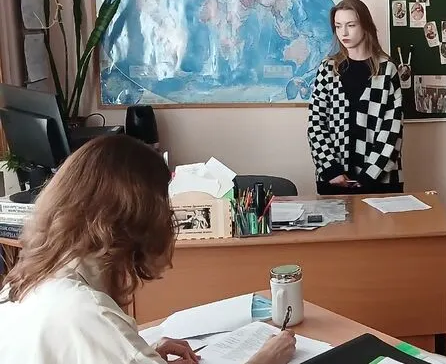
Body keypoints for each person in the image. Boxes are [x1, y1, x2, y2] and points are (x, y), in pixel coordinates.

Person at [0, 135, 297, 364]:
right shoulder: (89, 313)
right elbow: (95, 333)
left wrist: (142, 351)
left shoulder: (24, 284)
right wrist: (263, 360)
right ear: (139, 219)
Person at [308, 0, 404, 195]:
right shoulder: (328, 69)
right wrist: (330, 169)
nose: (343, 33)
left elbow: (393, 129)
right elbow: (315, 123)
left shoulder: (387, 70)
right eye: (338, 26)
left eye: (351, 25)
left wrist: (370, 175)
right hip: (334, 180)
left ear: (365, 25)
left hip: (380, 181)